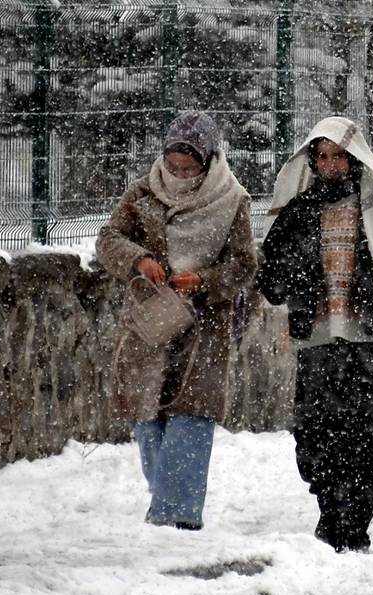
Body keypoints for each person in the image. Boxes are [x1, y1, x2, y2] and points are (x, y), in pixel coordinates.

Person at [256, 116, 373, 552]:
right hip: (317, 342)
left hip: (368, 342)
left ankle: (353, 527)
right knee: (314, 436)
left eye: (339, 155)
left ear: (354, 157)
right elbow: (270, 280)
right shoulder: (299, 213)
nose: (331, 164)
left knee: (364, 437)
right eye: (322, 157)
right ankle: (329, 515)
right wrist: (297, 278)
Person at [96, 110, 257, 530]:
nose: (179, 173)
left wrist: (203, 280)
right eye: (172, 165)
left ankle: (176, 516)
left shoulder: (231, 199)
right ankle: (165, 498)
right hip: (150, 322)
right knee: (145, 412)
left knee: (192, 412)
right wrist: (140, 259)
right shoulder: (143, 193)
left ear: (208, 162)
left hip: (206, 328)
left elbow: (243, 264)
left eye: (189, 168)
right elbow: (109, 239)